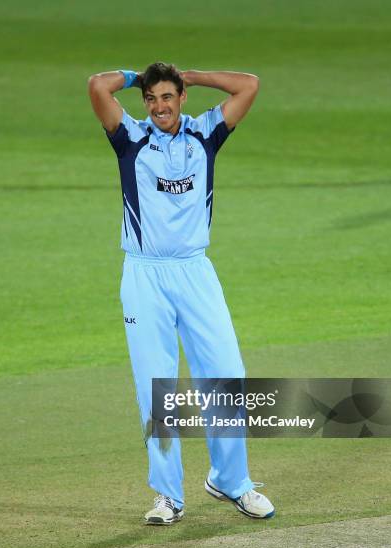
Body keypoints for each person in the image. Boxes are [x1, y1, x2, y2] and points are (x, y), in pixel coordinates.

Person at [88, 62, 275, 524]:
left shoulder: (206, 133)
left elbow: (249, 85)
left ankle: (232, 482)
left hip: (195, 272)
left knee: (227, 372)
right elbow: (97, 86)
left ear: (181, 97)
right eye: (151, 99)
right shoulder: (130, 137)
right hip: (144, 275)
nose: (159, 107)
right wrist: (136, 77)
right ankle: (168, 496)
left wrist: (192, 74)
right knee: (157, 385)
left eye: (167, 97)